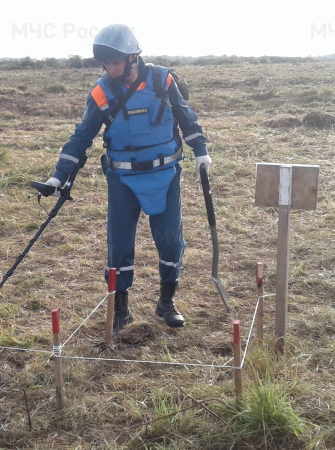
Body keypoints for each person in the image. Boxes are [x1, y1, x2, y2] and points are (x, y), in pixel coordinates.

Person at [37, 24, 211, 335]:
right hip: (123, 179)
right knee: (119, 248)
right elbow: (82, 136)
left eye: (115, 62)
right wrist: (58, 177)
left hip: (165, 175)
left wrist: (200, 149)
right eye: (106, 64)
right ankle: (121, 310)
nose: (110, 69)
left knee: (171, 242)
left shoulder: (163, 79)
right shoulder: (102, 91)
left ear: (133, 57)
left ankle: (166, 303)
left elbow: (185, 115)